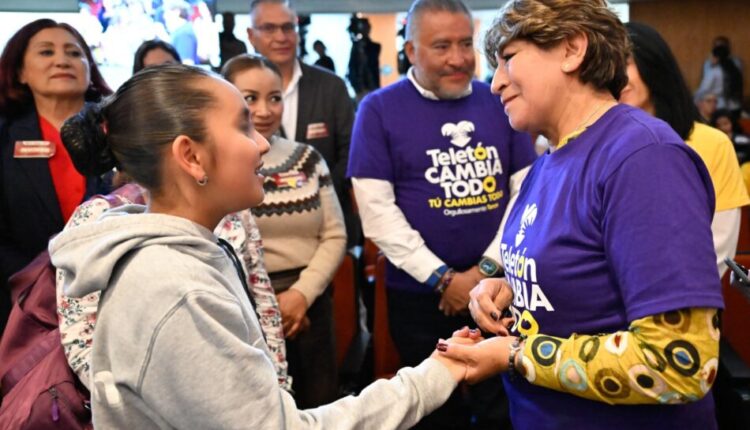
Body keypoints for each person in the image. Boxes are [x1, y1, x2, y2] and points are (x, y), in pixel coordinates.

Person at [50, 63, 468, 429]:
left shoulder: (189, 256)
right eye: (243, 126)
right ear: (191, 157)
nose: (264, 143)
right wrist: (437, 375)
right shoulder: (177, 289)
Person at [437, 1, 723, 428]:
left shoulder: (644, 157)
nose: (495, 83)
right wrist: (511, 287)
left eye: (508, 58)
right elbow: (586, 275)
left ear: (572, 49)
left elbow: (679, 362)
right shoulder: (551, 161)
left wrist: (516, 356)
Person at [348, 1, 536, 428]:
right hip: (419, 295)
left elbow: (526, 193)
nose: (458, 58)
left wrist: (484, 270)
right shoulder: (378, 109)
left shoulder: (501, 99)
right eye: (441, 46)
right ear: (411, 51)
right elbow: (377, 212)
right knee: (434, 411)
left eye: (466, 43)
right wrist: (444, 279)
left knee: (504, 406)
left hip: (503, 289)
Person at [221, 53, 347, 407]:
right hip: (241, 306)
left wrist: (302, 295)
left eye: (275, 98)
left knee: (321, 406)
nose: (264, 110)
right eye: (250, 98)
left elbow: (335, 234)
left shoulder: (308, 159)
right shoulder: (217, 163)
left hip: (310, 300)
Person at [0, 18, 111, 337]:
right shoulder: (4, 136)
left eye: (75, 53)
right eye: (46, 52)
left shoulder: (123, 131)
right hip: (20, 307)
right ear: (20, 72)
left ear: (89, 68)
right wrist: (37, 283)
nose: (62, 60)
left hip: (112, 299)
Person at [620, 21, 749, 278]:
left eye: (625, 63)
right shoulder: (601, 147)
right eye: (605, 67)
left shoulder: (711, 144)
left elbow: (719, 246)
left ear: (654, 64)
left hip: (684, 292)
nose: (615, 76)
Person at [247, 0, 359, 246]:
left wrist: (314, 191)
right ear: (251, 35)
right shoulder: (233, 89)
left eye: (288, 27)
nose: (281, 37)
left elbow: (351, 151)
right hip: (260, 230)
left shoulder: (331, 86)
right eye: (269, 28)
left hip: (328, 225)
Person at [696, 35, 744, 121]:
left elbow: (703, 89)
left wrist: (694, 99)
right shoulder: (734, 68)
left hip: (717, 107)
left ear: (716, 57)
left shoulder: (714, 71)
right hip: (735, 107)